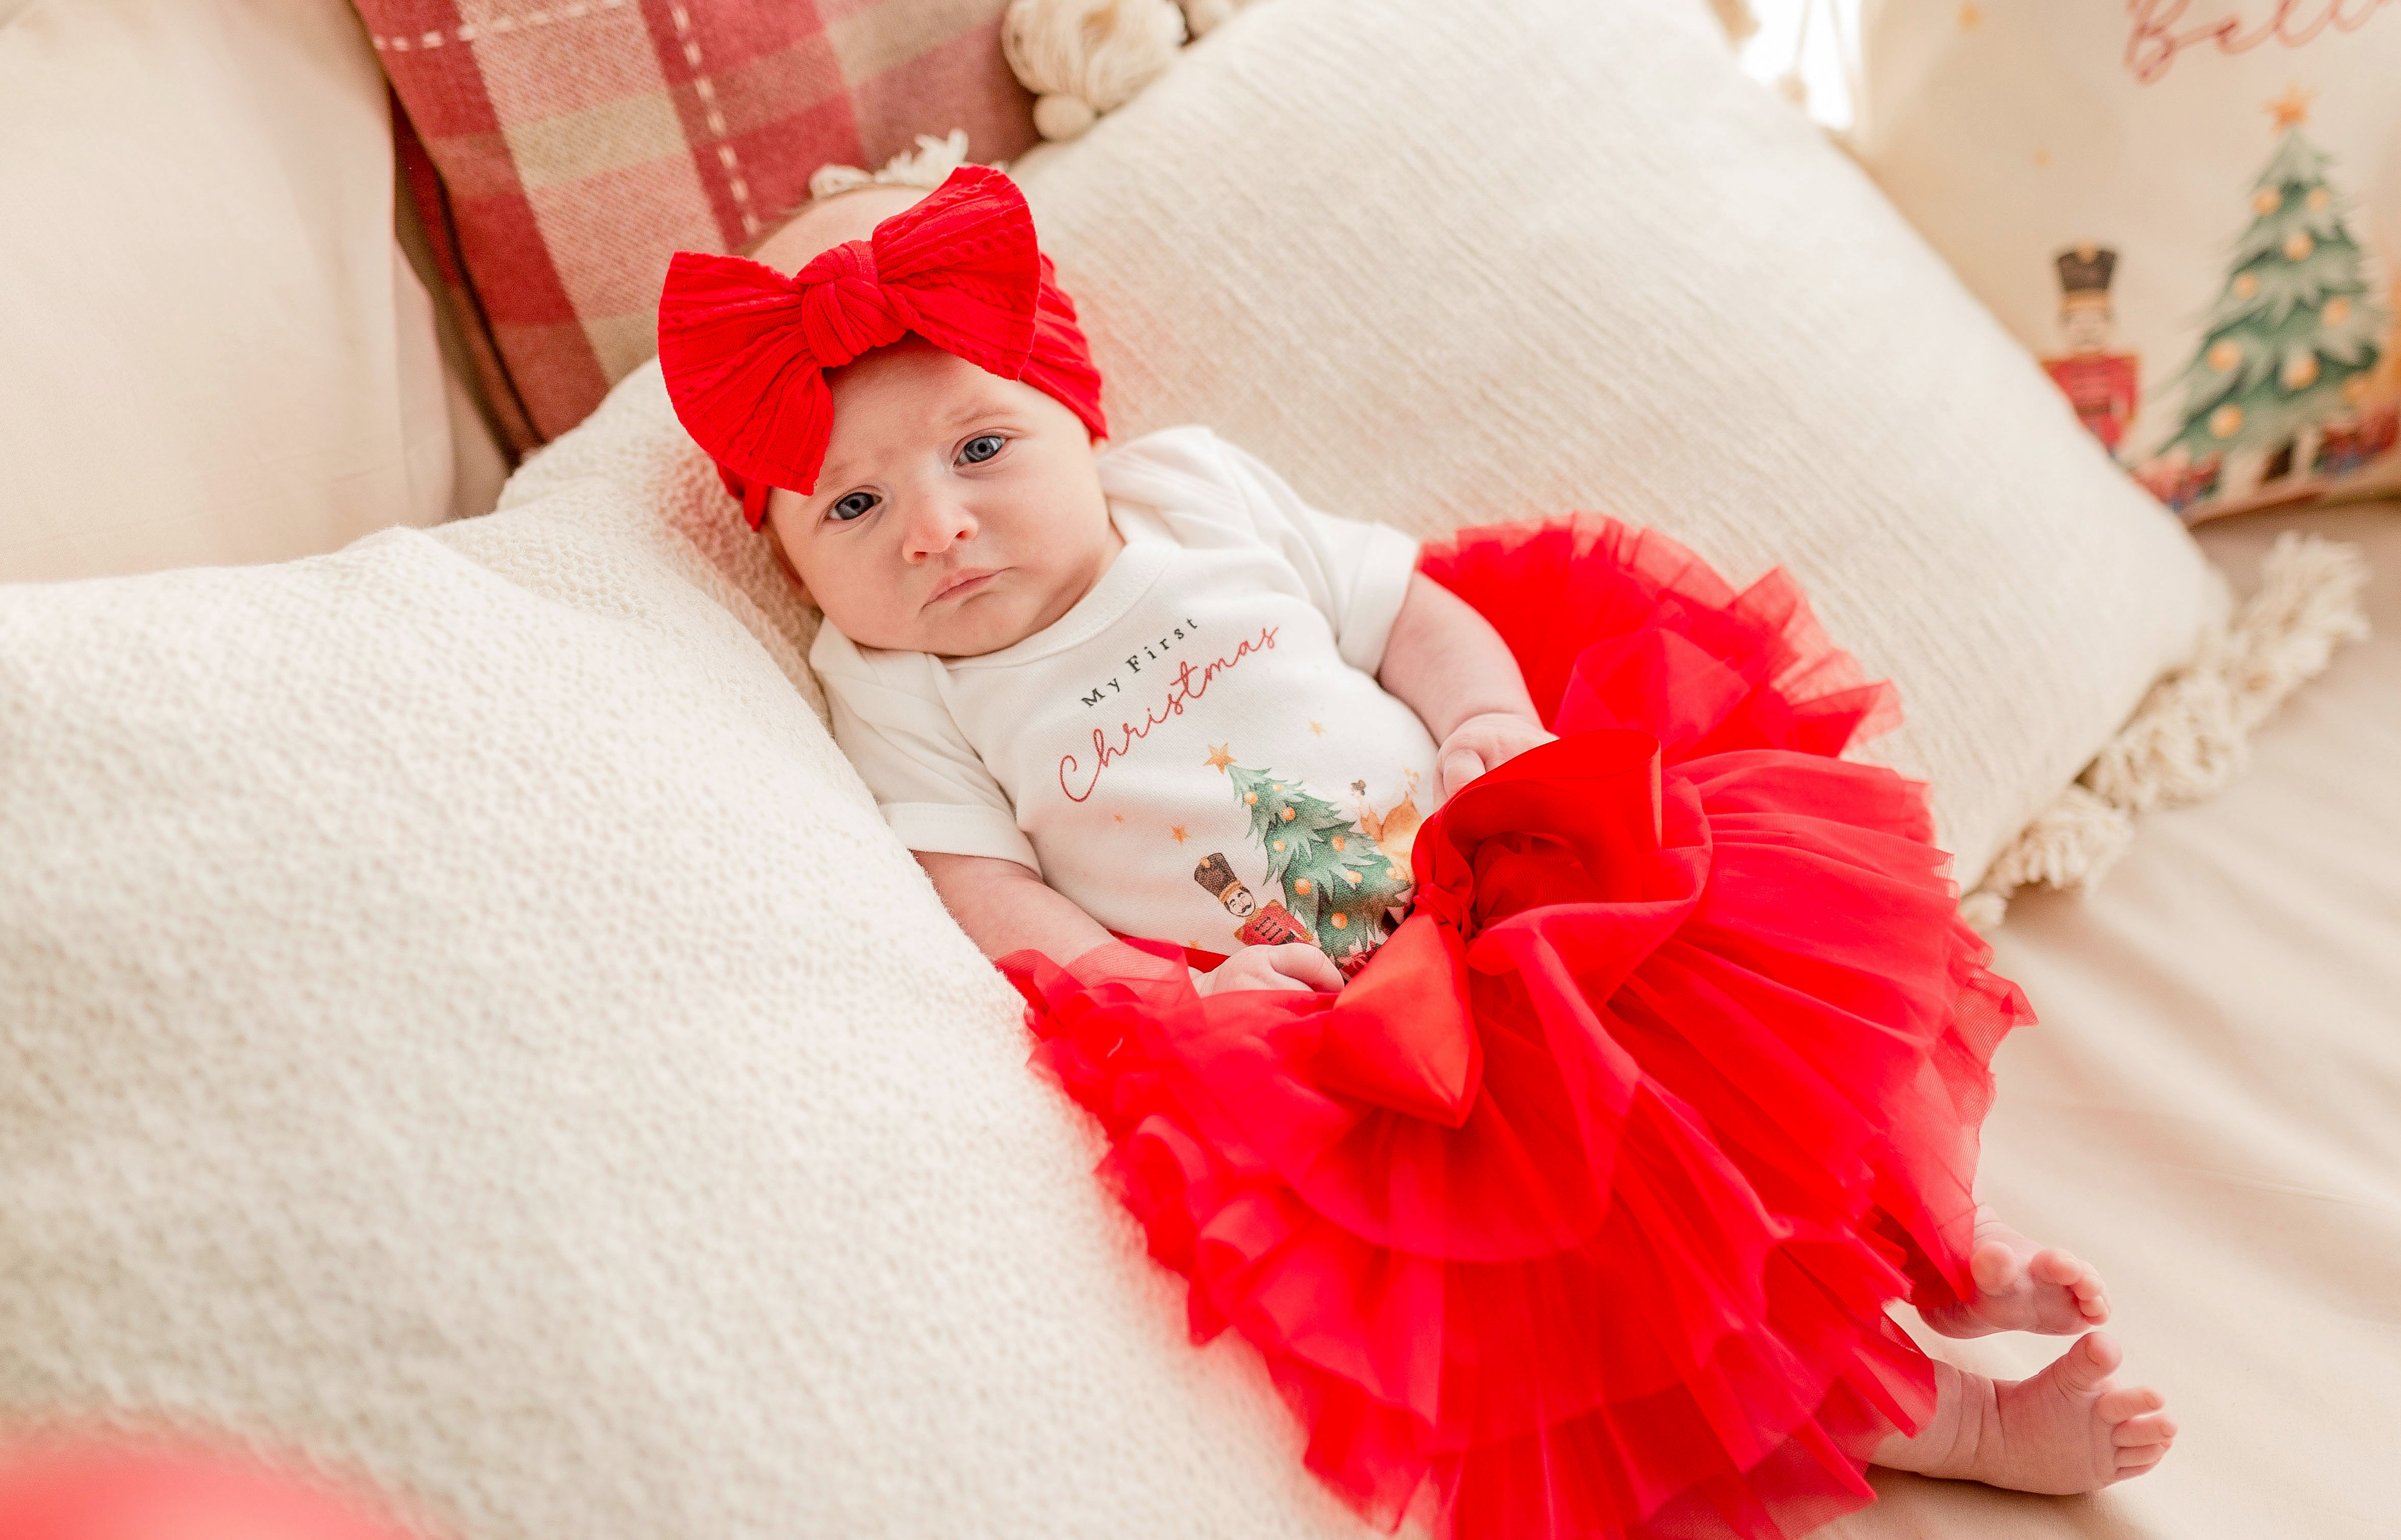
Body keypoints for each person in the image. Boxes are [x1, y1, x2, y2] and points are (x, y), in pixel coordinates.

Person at [656, 168, 2175, 1539]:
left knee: (1756, 1069)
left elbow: (1407, 614)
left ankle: (1938, 1245)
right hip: (1344, 1028)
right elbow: (986, 891)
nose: (937, 527)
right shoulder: (901, 688)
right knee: (1616, 1286)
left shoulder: (1190, 497)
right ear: (787, 555)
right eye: (852, 505)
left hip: (1523, 873)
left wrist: (1487, 724)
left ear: (1078, 422)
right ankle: (1953, 1422)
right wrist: (1159, 990)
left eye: (982, 447)